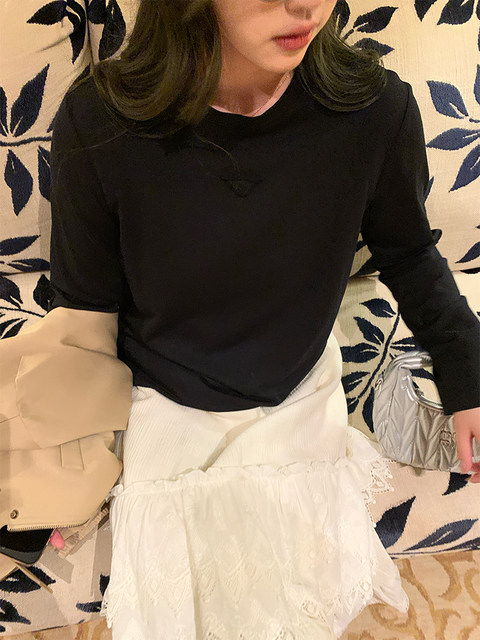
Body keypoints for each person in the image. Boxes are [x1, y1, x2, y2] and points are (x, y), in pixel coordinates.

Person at [46, 0, 480, 637]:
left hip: (297, 390)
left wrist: (469, 375)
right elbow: (85, 310)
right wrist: (69, 455)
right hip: (166, 400)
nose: (305, 6)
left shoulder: (375, 109)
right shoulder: (101, 119)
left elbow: (409, 251)